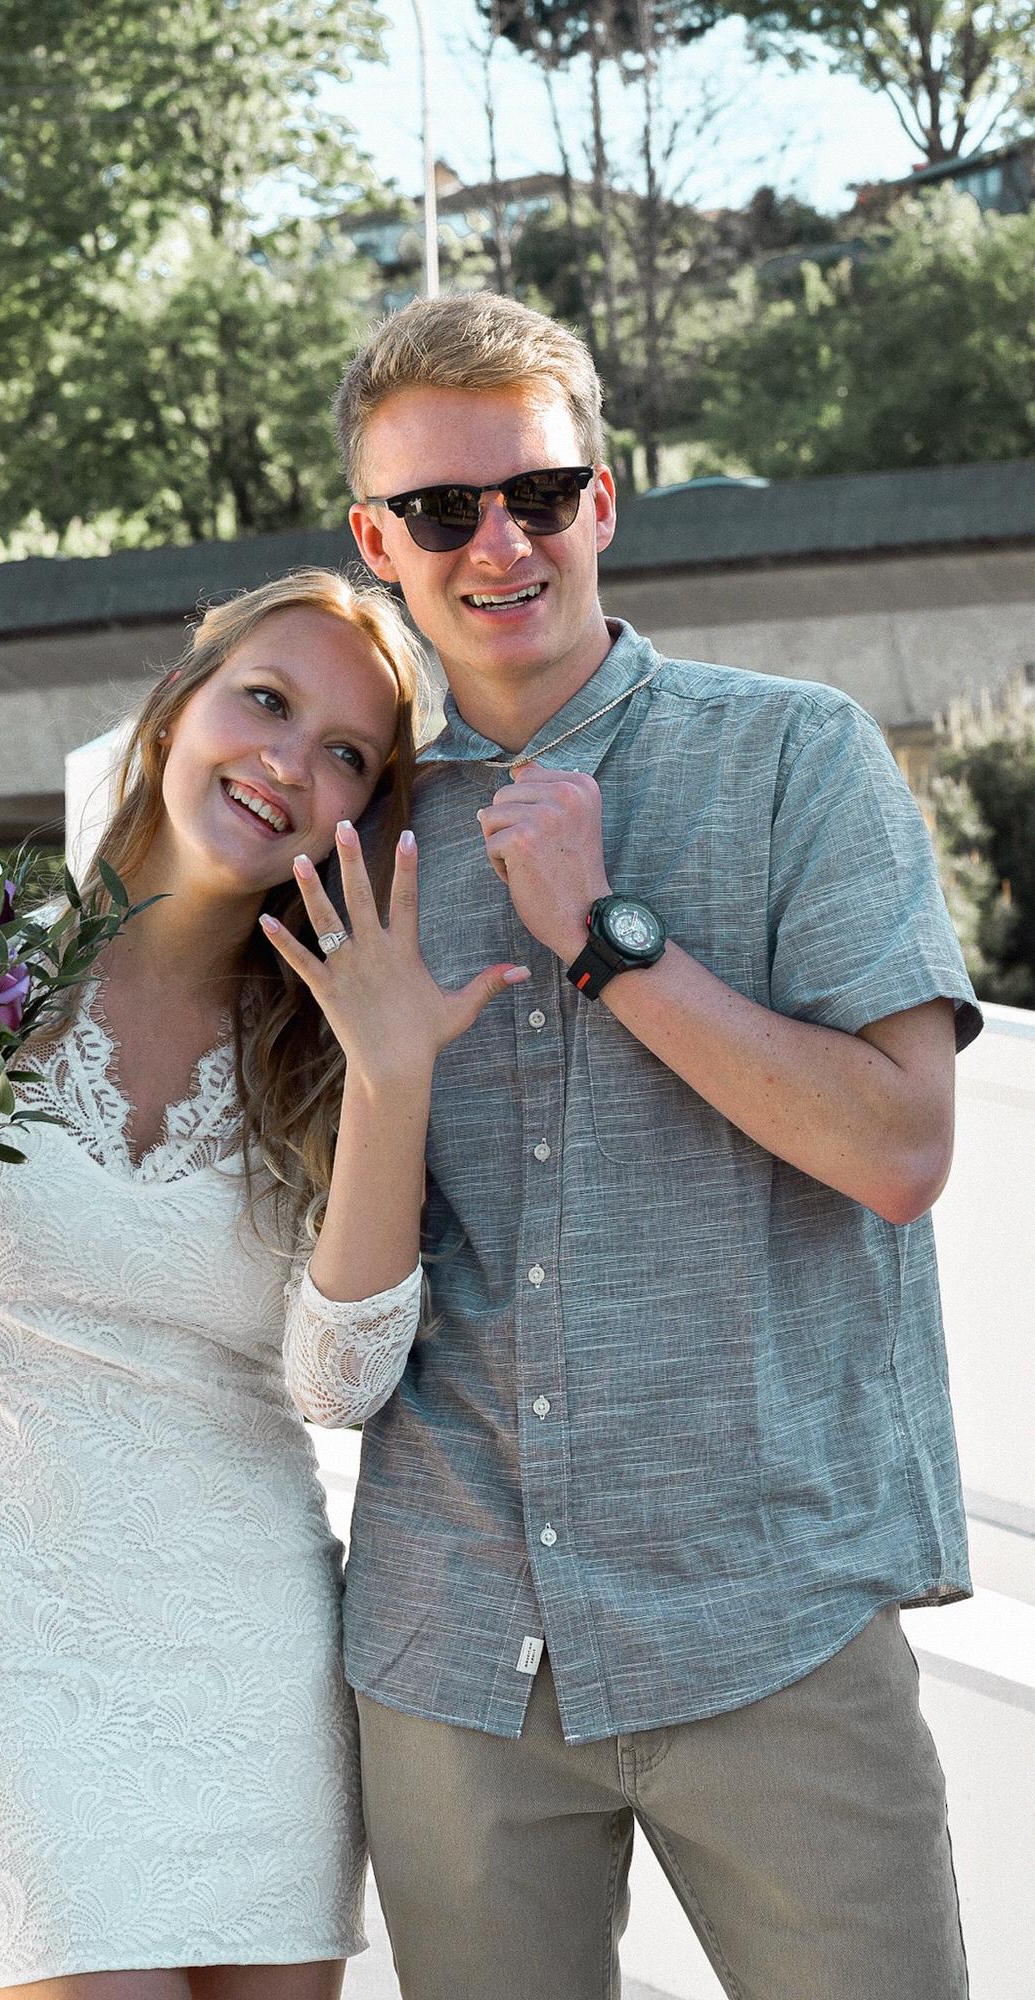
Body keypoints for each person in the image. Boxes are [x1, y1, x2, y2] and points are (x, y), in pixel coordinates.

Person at [287, 294, 980, 2000]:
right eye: (442, 512)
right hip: (452, 1657)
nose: (496, 541)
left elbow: (898, 1150)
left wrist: (607, 940)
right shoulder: (339, 829)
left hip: (773, 1624)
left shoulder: (789, 757)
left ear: (600, 502)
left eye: (535, 491)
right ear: (380, 543)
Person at [0, 567, 527, 2000]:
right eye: (265, 699)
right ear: (181, 701)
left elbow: (342, 1381)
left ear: (360, 820)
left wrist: (390, 1075)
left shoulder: (332, 1044)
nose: (286, 765)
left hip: (252, 1653)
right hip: (6, 1660)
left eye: (345, 757)